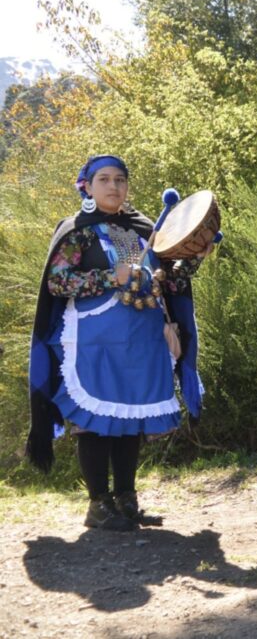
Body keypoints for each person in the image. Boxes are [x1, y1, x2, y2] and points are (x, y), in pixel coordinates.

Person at [26, 155, 209, 530]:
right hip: (95, 342)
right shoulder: (77, 231)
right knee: (97, 421)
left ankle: (127, 500)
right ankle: (98, 504)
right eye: (105, 180)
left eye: (120, 180)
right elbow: (58, 283)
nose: (114, 186)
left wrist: (192, 260)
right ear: (88, 187)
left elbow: (169, 282)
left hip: (143, 340)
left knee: (132, 416)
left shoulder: (146, 230)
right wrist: (112, 276)